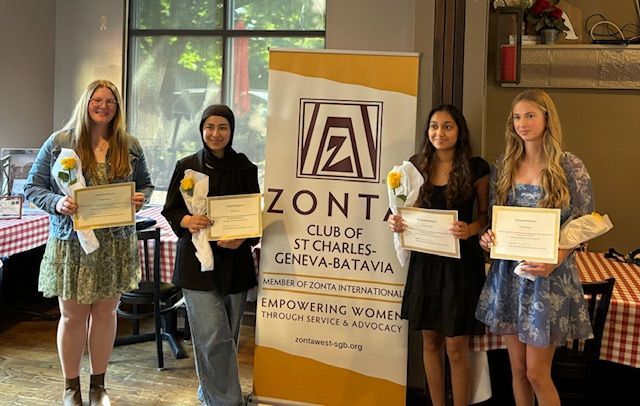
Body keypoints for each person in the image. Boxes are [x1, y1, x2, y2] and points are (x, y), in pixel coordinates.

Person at [24, 79, 154, 406]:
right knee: (72, 316)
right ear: (86, 102)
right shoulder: (59, 143)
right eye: (98, 100)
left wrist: (140, 198)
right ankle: (71, 388)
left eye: (110, 101)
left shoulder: (131, 145)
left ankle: (98, 386)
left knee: (106, 313)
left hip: (115, 244)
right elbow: (32, 187)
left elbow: (147, 185)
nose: (104, 106)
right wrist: (57, 203)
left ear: (117, 108)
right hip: (72, 244)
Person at [475, 89, 594, 406]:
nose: (522, 123)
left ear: (546, 119)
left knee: (537, 374)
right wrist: (488, 238)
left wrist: (558, 257)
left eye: (530, 115)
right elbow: (495, 221)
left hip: (548, 278)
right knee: (516, 369)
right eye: (517, 117)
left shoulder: (570, 166)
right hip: (510, 276)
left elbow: (584, 222)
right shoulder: (504, 165)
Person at [388, 104, 489, 406]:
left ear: (459, 131)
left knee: (456, 346)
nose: (439, 132)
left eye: (447, 126)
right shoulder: (414, 166)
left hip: (460, 266)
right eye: (434, 126)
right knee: (429, 342)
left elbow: (485, 215)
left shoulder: (477, 167)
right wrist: (397, 221)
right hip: (425, 263)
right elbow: (405, 210)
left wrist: (470, 230)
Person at [162, 104, 259, 406]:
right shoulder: (187, 165)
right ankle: (227, 402)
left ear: (231, 131)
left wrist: (243, 238)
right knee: (212, 337)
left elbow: (254, 218)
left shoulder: (246, 168)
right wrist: (187, 221)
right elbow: (172, 209)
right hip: (196, 264)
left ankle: (211, 393)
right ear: (201, 129)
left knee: (226, 337)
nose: (215, 134)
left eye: (222, 128)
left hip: (235, 264)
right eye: (209, 127)